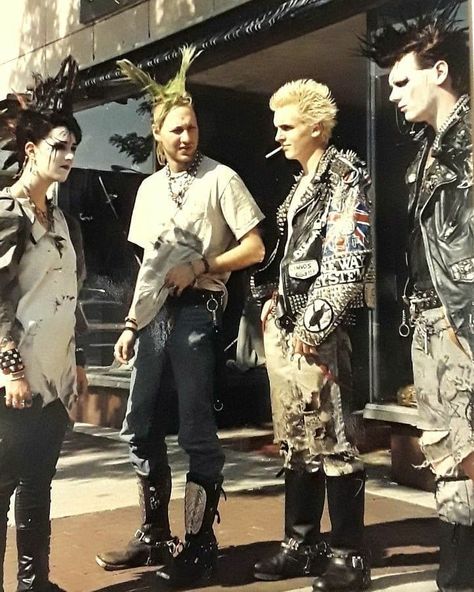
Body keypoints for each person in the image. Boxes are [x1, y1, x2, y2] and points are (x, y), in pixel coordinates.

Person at [95, 47, 265, 587]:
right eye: (176, 130)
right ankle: (153, 533)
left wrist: (204, 266)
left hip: (197, 315)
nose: (186, 137)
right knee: (138, 426)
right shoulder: (147, 190)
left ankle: (199, 541)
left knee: (195, 431)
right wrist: (129, 324)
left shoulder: (223, 179)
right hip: (154, 319)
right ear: (157, 135)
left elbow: (256, 248)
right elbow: (148, 271)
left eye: (191, 128)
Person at [362, 2, 473, 589]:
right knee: (449, 457)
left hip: (461, 322)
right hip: (433, 324)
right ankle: (453, 576)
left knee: (464, 458)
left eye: (402, 81)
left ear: (441, 72)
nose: (394, 95)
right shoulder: (424, 156)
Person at [252, 79, 372, 592]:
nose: (277, 135)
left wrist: (315, 324)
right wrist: (270, 299)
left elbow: (348, 253)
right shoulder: (299, 186)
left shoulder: (345, 175)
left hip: (318, 335)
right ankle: (300, 545)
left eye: (287, 126)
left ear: (316, 127)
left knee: (335, 440)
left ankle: (348, 558)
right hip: (288, 333)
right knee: (296, 440)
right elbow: (286, 257)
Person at [0, 56, 87, 592]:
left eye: (74, 146)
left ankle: (35, 584)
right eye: (59, 145)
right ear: (30, 151)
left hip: (52, 380)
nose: (70, 155)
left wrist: (75, 366)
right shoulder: (8, 210)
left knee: (38, 485)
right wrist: (10, 369)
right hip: (14, 381)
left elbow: (66, 296)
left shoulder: (60, 218)